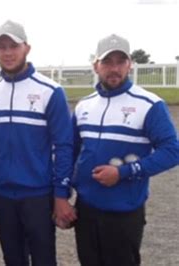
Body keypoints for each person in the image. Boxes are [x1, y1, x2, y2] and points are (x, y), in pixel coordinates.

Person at [72, 34, 179, 266]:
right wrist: (63, 194)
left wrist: (124, 172)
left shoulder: (149, 104)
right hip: (86, 210)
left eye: (121, 62)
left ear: (130, 64)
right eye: (108, 62)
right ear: (96, 66)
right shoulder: (84, 106)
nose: (114, 68)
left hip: (123, 212)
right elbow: (72, 152)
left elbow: (172, 151)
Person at [0, 20, 77, 266]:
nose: (8, 52)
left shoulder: (50, 91)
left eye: (13, 45)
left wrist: (61, 194)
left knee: (44, 259)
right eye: (1, 47)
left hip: (38, 194)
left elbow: (64, 146)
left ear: (27, 48)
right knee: (12, 259)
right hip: (3, 195)